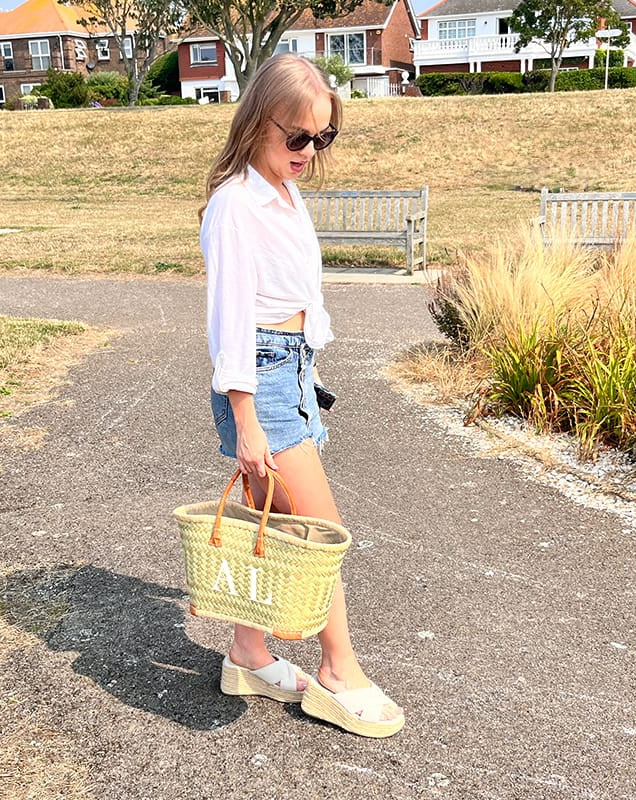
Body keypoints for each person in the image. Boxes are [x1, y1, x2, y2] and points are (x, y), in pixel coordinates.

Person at [200, 53, 404, 738]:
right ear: (259, 121)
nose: (310, 152)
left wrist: (302, 379)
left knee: (276, 530)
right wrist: (247, 419)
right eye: (298, 138)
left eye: (324, 138)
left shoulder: (281, 191)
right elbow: (229, 319)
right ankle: (339, 671)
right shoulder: (236, 203)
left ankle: (249, 653)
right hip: (260, 382)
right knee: (322, 536)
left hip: (290, 372)